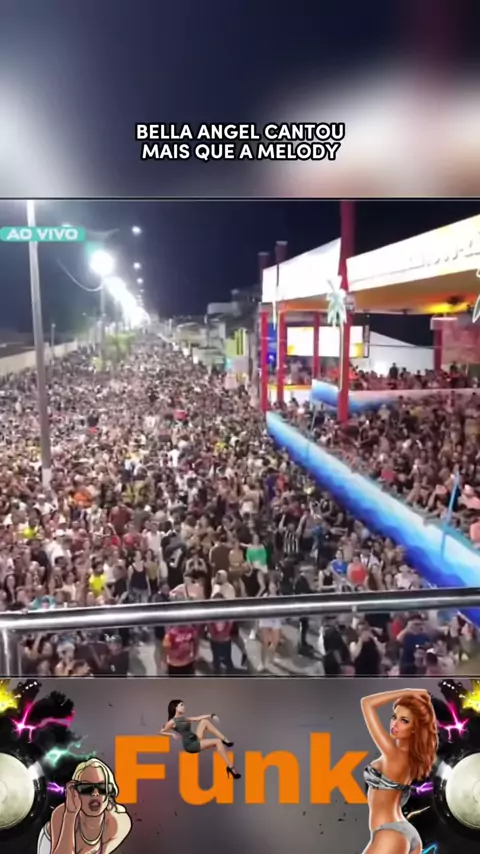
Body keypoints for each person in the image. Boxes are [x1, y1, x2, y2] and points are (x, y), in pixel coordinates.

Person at [360, 688, 438, 854]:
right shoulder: (411, 758)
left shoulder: (394, 755)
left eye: (404, 721)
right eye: (394, 716)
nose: (394, 724)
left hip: (390, 833)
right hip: (403, 832)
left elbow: (367, 703)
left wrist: (407, 691)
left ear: (415, 728)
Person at [37, 758, 132, 854]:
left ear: (110, 792)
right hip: (51, 843)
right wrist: (70, 814)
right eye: (86, 788)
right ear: (75, 791)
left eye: (102, 788)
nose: (95, 794)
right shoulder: (61, 814)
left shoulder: (119, 822)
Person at [159, 700, 241, 779]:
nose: (184, 707)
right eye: (181, 705)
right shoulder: (172, 722)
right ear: (176, 707)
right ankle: (231, 768)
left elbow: (197, 718)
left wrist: (211, 715)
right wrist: (172, 734)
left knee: (204, 721)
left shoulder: (183, 718)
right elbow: (161, 732)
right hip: (190, 744)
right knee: (218, 742)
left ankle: (224, 739)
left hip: (195, 738)